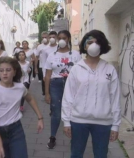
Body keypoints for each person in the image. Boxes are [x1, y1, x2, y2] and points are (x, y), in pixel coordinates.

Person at [62, 30, 121, 158]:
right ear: (84, 46)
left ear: (102, 46)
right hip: (78, 121)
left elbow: (115, 98)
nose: (94, 45)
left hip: (103, 123)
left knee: (101, 155)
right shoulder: (76, 69)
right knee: (76, 154)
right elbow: (68, 97)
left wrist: (115, 125)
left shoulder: (109, 69)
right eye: (90, 42)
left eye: (97, 42)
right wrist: (66, 121)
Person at [0, 56, 44, 158]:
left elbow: (30, 99)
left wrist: (40, 118)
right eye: (1, 70)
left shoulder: (20, 87)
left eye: (8, 70)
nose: (4, 73)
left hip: (16, 130)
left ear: (14, 72)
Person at [45, 30, 82, 149]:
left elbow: (81, 73)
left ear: (69, 39)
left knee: (74, 111)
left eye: (64, 38)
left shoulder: (76, 55)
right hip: (56, 84)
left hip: (72, 84)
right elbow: (48, 75)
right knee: (56, 112)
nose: (61, 40)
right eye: (59, 38)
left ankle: (75, 137)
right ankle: (52, 137)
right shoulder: (52, 56)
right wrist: (47, 93)